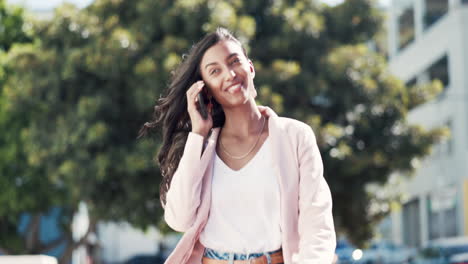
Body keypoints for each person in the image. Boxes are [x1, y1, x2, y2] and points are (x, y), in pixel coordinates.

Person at [140, 27, 336, 264]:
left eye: (234, 62)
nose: (230, 74)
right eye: (215, 71)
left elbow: (317, 223)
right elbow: (180, 219)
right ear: (206, 89)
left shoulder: (295, 136)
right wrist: (197, 134)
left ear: (250, 67)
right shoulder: (201, 149)